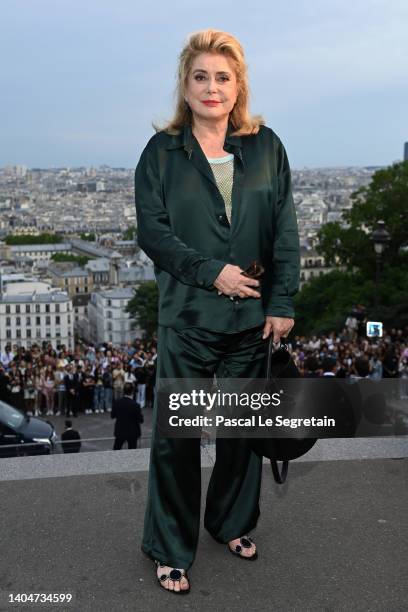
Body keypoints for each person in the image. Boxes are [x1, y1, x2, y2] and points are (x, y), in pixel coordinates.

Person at [134, 29, 300, 594]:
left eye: (222, 77)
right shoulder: (161, 154)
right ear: (185, 86)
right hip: (188, 317)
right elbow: (152, 234)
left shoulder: (266, 146)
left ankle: (230, 521)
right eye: (200, 76)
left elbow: (284, 230)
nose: (211, 87)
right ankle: (170, 545)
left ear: (238, 87)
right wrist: (213, 273)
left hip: (250, 321)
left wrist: (281, 302)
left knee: (241, 435)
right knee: (176, 440)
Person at [110, 382, 143, 450]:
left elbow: (112, 416)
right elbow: (140, 420)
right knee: (132, 451)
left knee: (116, 449)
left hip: (120, 430)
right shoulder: (136, 405)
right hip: (133, 431)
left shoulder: (117, 402)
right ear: (132, 391)